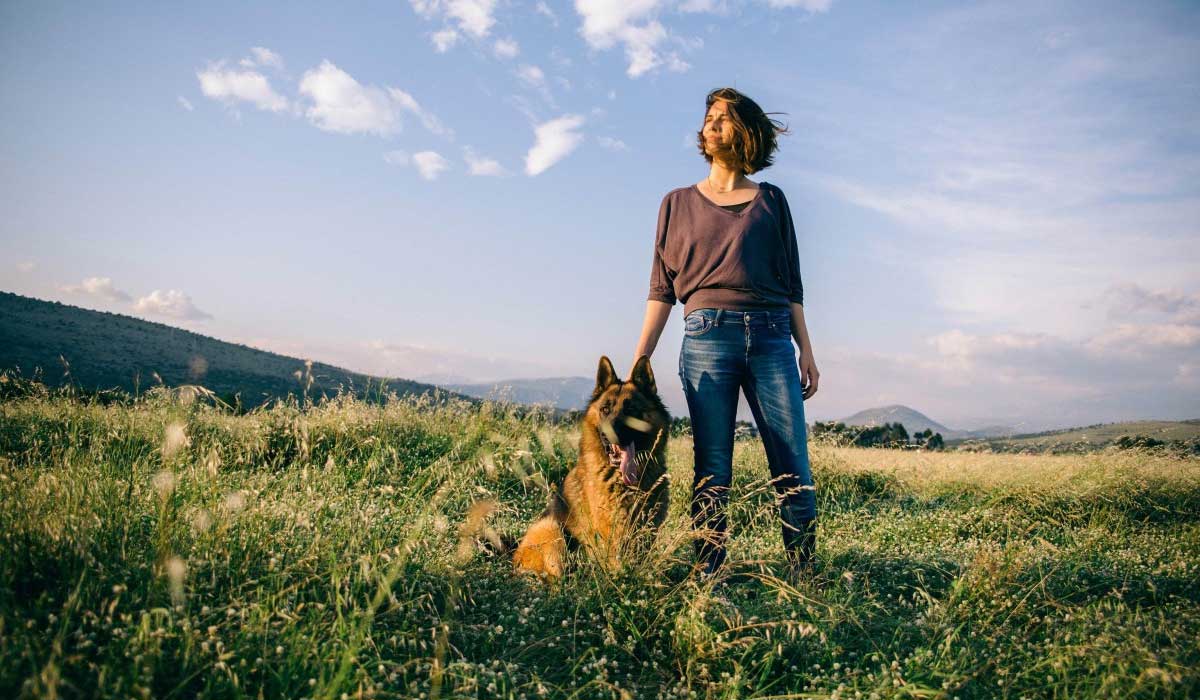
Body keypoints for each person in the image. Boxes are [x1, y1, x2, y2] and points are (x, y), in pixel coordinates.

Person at [632, 87, 821, 583]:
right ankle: (708, 573)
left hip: (773, 337)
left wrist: (807, 350)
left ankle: (804, 574)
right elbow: (661, 288)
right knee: (712, 466)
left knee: (792, 461)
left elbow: (793, 281)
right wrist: (640, 360)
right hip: (706, 338)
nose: (712, 124)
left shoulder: (772, 201)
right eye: (709, 117)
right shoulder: (675, 203)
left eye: (724, 118)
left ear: (747, 131)